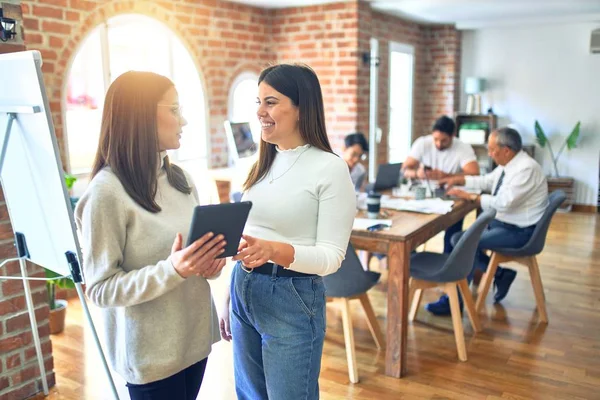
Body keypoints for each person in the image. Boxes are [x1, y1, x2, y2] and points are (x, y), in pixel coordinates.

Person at [75, 71, 226, 399]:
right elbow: (100, 289)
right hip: (152, 356)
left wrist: (208, 265)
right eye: (174, 110)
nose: (183, 120)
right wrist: (174, 270)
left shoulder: (181, 179)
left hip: (195, 341)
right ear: (141, 116)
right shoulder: (106, 193)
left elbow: (190, 259)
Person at [218, 64, 356, 400]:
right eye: (257, 102)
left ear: (300, 108)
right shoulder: (260, 162)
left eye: (270, 102)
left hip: (291, 297)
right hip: (244, 289)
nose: (259, 112)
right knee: (250, 396)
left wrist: (274, 250)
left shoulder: (330, 168)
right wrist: (229, 295)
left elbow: (331, 257)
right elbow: (249, 235)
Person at [425, 127, 548, 316]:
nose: (489, 154)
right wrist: (456, 180)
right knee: (459, 239)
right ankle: (499, 275)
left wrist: (471, 197)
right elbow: (487, 181)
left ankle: (454, 301)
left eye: (492, 150)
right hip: (507, 224)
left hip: (521, 232)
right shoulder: (511, 164)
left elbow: (503, 203)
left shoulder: (526, 169)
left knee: (463, 241)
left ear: (506, 150)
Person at [402, 115, 480, 253]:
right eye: (436, 139)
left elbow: (474, 173)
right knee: (408, 228)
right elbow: (405, 169)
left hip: (449, 195)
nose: (438, 144)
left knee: (454, 222)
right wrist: (417, 173)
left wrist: (446, 176)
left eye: (444, 141)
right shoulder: (422, 143)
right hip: (423, 195)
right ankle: (414, 261)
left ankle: (448, 262)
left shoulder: (462, 147)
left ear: (453, 136)